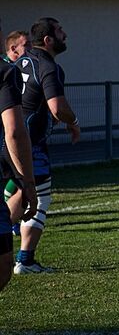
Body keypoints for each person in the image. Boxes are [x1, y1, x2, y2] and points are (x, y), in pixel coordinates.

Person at [4, 18, 79, 275]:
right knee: (33, 197)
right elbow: (57, 107)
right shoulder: (48, 66)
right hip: (28, 144)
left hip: (6, 140)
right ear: (48, 40)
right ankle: (25, 259)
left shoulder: (19, 62)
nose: (65, 35)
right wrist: (74, 121)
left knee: (16, 191)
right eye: (60, 31)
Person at [0, 40, 37, 291]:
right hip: (17, 158)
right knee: (2, 269)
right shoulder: (5, 71)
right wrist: (28, 182)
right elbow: (13, 130)